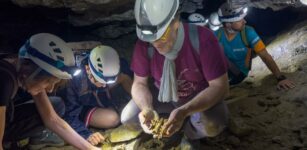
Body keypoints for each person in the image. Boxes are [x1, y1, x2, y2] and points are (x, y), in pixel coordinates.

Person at [121, 0, 229, 140]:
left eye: (161, 36)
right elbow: (139, 83)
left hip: (198, 97)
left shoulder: (203, 39)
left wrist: (185, 111)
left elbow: (221, 87)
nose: (156, 43)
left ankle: (189, 134)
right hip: (164, 96)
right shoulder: (144, 45)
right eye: (150, 39)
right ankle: (171, 121)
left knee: (213, 124)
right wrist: (146, 107)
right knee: (128, 118)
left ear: (176, 22)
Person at [0, 33, 100, 150]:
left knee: (56, 105)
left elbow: (52, 119)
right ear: (30, 69)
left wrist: (90, 148)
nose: (50, 89)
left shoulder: (22, 70)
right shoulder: (5, 80)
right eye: (48, 81)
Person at [63, 45, 133, 146]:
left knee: (129, 113)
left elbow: (125, 77)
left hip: (103, 97)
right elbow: (69, 115)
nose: (104, 85)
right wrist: (86, 134)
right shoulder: (75, 80)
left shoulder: (115, 63)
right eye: (100, 81)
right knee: (112, 119)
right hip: (82, 105)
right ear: (88, 70)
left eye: (108, 81)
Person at [216, 2, 295, 90]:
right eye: (239, 20)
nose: (244, 21)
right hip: (224, 73)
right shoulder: (217, 35)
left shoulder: (248, 32)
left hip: (239, 73)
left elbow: (265, 56)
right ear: (228, 24)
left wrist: (280, 78)